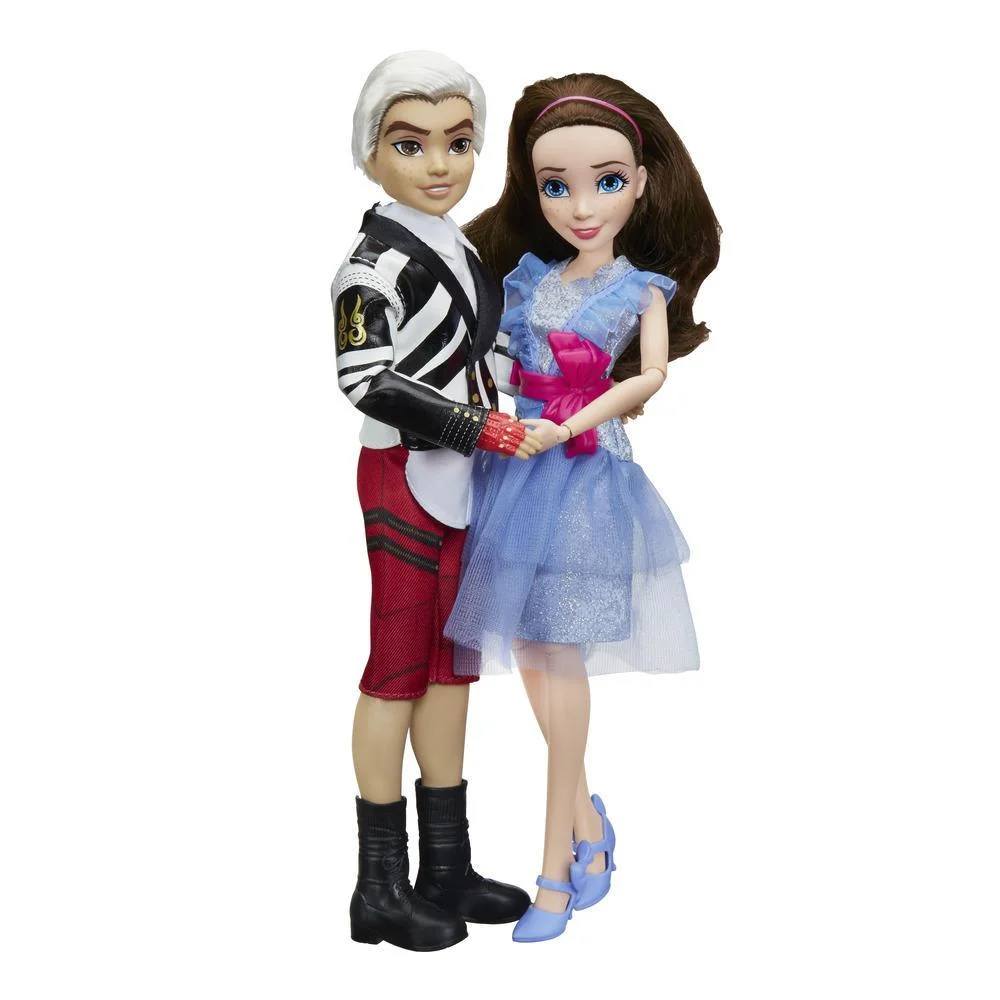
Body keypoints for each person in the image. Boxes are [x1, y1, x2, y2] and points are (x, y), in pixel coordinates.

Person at [444, 73, 721, 942]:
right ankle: (590, 824)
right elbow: (493, 353)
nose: (582, 205)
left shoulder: (640, 290)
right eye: (555, 186)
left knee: (557, 652)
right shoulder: (530, 279)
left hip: (583, 475)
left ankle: (556, 870)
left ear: (641, 183)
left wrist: (570, 423)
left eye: (606, 181)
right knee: (534, 650)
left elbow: (650, 374)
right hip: (515, 471)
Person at [331, 51, 538, 952]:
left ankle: (445, 866)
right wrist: (474, 426)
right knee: (397, 669)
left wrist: (539, 391)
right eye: (411, 144)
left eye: (458, 142)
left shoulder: (462, 248)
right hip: (406, 474)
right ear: (371, 152)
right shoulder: (369, 268)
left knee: (453, 666)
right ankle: (378, 886)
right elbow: (366, 379)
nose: (440, 164)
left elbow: (481, 351)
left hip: (464, 480)